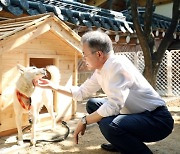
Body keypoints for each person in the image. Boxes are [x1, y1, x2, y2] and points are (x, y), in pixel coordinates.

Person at [34, 30, 174, 154]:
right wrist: (53, 86)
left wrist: (84, 120)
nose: (84, 58)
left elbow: (113, 106)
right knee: (93, 104)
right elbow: (81, 92)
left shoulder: (116, 66)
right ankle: (120, 142)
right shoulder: (101, 69)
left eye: (84, 54)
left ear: (99, 54)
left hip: (157, 120)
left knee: (110, 125)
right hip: (136, 113)